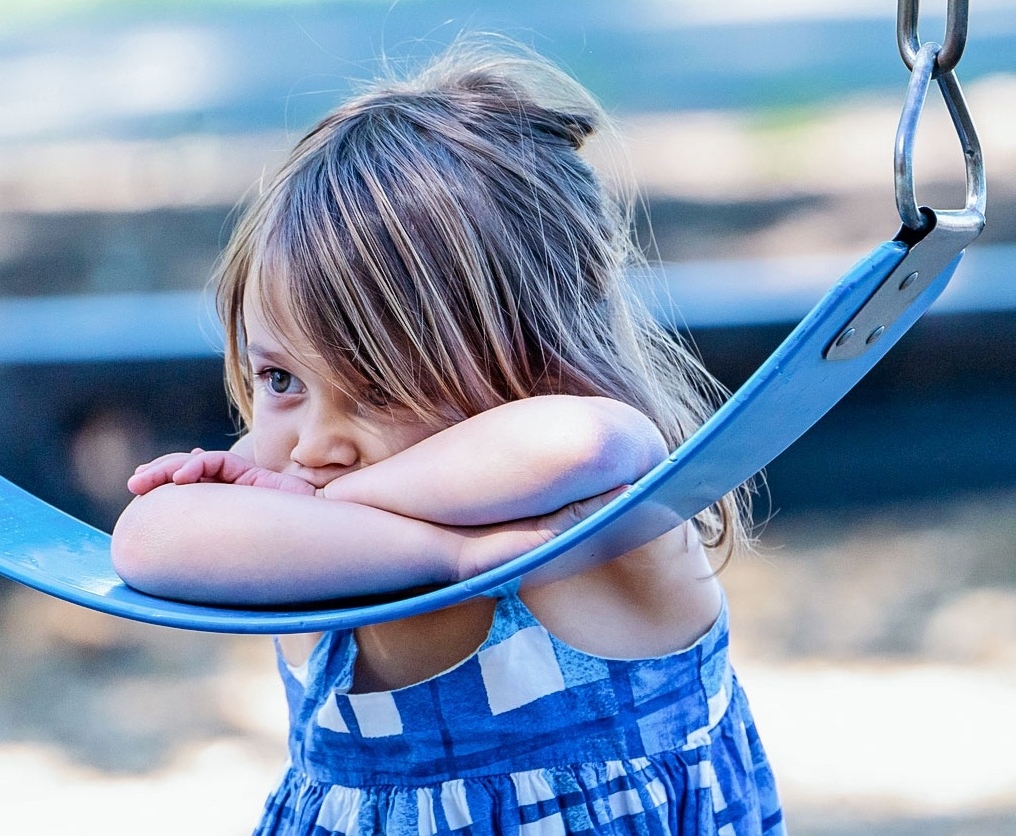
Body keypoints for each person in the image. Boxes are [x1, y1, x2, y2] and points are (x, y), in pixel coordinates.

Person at [111, 38, 785, 835]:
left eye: (377, 387)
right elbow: (147, 540)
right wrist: (432, 550)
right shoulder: (310, 520)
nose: (314, 443)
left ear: (538, 361)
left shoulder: (606, 524)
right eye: (282, 381)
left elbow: (588, 440)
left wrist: (399, 530)